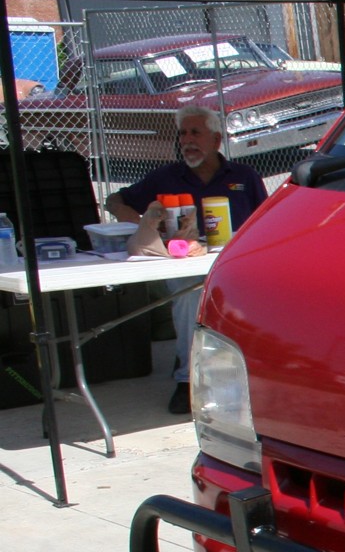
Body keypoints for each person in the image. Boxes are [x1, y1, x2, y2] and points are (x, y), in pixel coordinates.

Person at [106, 105, 268, 414]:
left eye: (196, 132)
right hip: (184, 262)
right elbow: (116, 199)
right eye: (183, 133)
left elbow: (268, 219)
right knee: (190, 292)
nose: (187, 140)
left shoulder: (244, 176)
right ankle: (187, 380)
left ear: (217, 140)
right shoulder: (166, 177)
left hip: (237, 260)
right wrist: (135, 221)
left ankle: (252, 377)